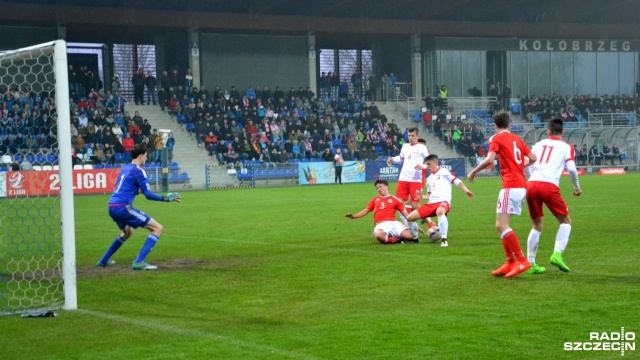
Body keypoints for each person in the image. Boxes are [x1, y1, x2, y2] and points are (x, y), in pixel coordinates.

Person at [467, 111, 537, 278]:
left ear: (495, 126)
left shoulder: (496, 138)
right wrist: (521, 163)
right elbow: (533, 158)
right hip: (521, 185)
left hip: (511, 185)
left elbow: (490, 160)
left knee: (501, 225)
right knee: (502, 225)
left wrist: (473, 172)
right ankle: (510, 262)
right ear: (510, 125)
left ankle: (521, 260)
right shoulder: (517, 139)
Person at [96, 144, 182, 270]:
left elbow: (126, 189)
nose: (146, 159)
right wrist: (166, 198)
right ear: (141, 156)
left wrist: (138, 191)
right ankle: (139, 261)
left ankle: (103, 261)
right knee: (158, 228)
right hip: (123, 207)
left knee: (127, 233)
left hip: (112, 206)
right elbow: (148, 195)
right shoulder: (139, 170)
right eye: (146, 156)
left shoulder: (125, 169)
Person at [523, 118, 582, 275]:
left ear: (548, 132)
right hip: (549, 185)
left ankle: (531, 263)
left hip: (532, 184)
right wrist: (576, 187)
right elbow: (571, 169)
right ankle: (557, 254)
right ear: (563, 131)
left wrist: (531, 180)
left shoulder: (538, 145)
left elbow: (525, 164)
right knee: (566, 222)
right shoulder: (566, 147)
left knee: (536, 225)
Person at [406, 154, 475, 247]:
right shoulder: (429, 178)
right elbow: (429, 195)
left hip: (443, 201)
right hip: (431, 204)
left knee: (440, 211)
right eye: (425, 165)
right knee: (409, 218)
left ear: (435, 163)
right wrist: (421, 197)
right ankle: (415, 238)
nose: (427, 167)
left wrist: (466, 190)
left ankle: (444, 239)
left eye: (429, 164)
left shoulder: (443, 171)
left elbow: (457, 181)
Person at [386, 127, 430, 240]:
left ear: (417, 136)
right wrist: (392, 159)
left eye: (413, 136)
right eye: (409, 136)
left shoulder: (422, 147)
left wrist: (423, 166)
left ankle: (430, 224)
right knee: (399, 204)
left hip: (415, 179)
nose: (410, 138)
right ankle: (412, 229)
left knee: (415, 205)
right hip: (403, 178)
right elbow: (400, 158)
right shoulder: (405, 146)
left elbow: (430, 162)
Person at [345, 179, 415, 244]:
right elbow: (365, 211)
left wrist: (415, 226)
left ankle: (395, 237)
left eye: (380, 187)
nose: (379, 189)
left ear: (386, 187)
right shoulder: (375, 199)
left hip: (393, 224)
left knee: (410, 236)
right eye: (377, 188)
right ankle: (397, 240)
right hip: (381, 225)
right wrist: (354, 216)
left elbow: (406, 215)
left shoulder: (395, 199)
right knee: (379, 235)